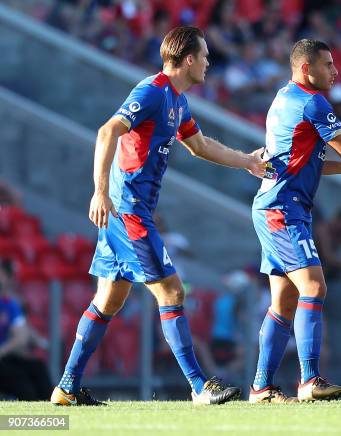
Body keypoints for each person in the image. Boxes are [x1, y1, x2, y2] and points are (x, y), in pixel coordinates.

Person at [50, 26, 266, 406]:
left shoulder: (177, 101)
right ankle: (199, 386)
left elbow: (199, 145)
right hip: (127, 208)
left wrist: (246, 161)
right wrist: (100, 191)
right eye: (203, 56)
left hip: (131, 209)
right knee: (172, 291)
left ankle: (66, 387)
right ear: (187, 60)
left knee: (109, 298)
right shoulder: (152, 91)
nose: (207, 63)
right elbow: (107, 131)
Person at [249, 39, 341, 403]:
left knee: (283, 301)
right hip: (284, 209)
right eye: (327, 64)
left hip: (274, 205)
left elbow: (299, 160)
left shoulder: (283, 98)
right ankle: (310, 380)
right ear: (305, 69)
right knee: (314, 287)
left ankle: (261, 387)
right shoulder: (312, 101)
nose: (335, 71)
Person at [0, 261, 52, 401]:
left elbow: (21, 335)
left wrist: (4, 350)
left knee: (38, 368)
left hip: (5, 356)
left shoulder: (9, 304)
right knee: (21, 382)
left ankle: (49, 414)